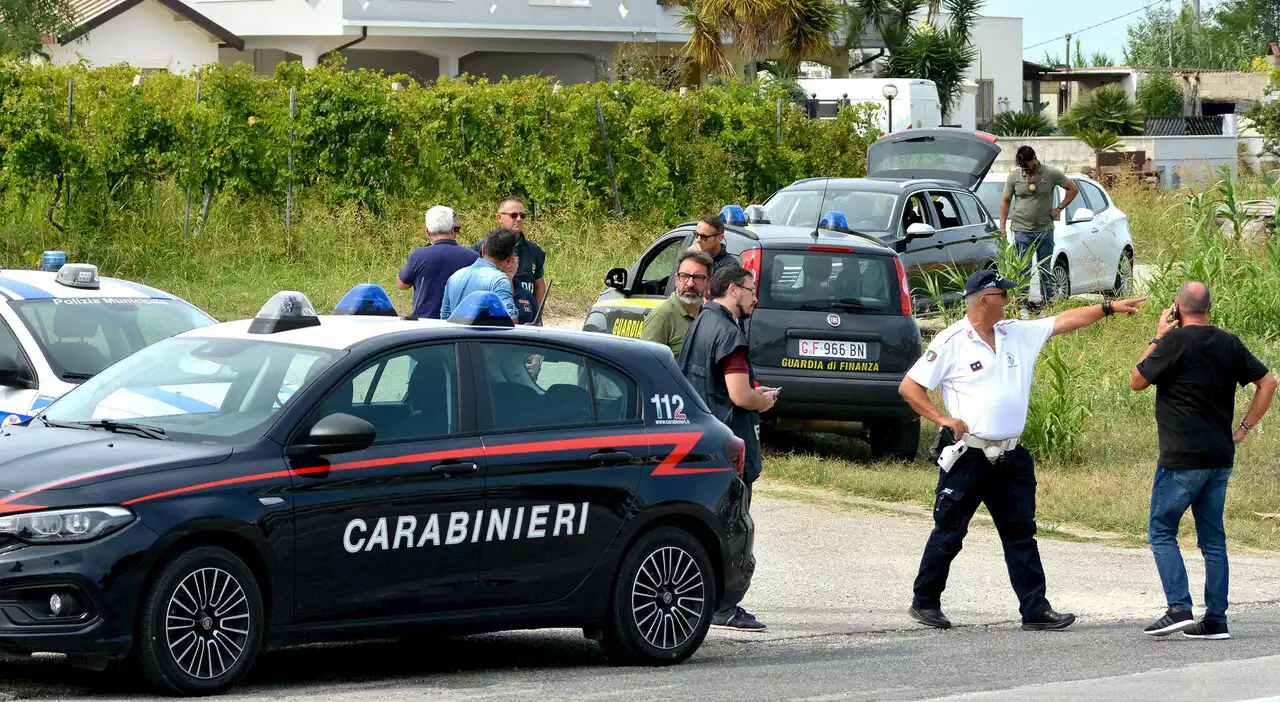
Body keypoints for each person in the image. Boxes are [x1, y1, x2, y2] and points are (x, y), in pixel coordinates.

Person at [898, 269, 1146, 632]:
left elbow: (1064, 321)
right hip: (970, 456)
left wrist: (1107, 307)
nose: (1009, 300)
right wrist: (943, 418)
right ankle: (925, 602)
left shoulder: (1015, 332)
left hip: (1011, 457)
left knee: (1020, 533)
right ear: (985, 299)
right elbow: (909, 387)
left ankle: (1035, 609)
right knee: (950, 531)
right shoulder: (952, 341)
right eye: (1003, 294)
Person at [1130, 282, 1277, 640]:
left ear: (1177, 308)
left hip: (1181, 458)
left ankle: (1178, 607)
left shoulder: (1174, 342)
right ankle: (1216, 619)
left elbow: (1137, 380)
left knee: (1161, 530)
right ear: (1210, 307)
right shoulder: (1230, 342)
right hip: (1219, 457)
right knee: (1212, 538)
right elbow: (1268, 382)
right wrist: (1242, 429)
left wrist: (1157, 336)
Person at [678, 265, 778, 632]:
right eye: (751, 290)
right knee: (734, 526)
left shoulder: (701, 322)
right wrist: (762, 400)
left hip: (699, 437)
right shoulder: (729, 333)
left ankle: (705, 600)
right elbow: (739, 395)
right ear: (734, 290)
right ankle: (725, 605)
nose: (755, 297)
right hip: (728, 443)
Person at [998, 146, 1078, 307]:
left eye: (1026, 165)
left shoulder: (1051, 173)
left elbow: (1073, 189)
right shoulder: (1014, 176)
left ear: (1034, 159)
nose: (1024, 169)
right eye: (1022, 166)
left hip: (1044, 230)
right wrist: (1002, 228)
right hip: (1021, 230)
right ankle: (1021, 304)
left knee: (1045, 268)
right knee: (1023, 269)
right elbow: (1005, 201)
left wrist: (1059, 208)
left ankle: (1047, 303)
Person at [396, 205, 480, 319]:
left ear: (427, 231)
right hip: (462, 322)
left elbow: (402, 284)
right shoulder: (473, 257)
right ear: (453, 229)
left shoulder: (418, 255)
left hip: (426, 323)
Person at [474, 197, 547, 325]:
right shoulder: (481, 249)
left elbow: (539, 284)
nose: (518, 219)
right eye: (513, 215)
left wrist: (538, 317)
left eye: (522, 215)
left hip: (524, 316)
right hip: (491, 318)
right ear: (499, 217)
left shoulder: (533, 251)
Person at [641, 248, 713, 358]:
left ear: (708, 282)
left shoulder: (709, 317)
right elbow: (646, 365)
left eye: (698, 277)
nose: (690, 284)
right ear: (676, 279)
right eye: (684, 276)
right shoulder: (661, 317)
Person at [441, 228, 520, 322]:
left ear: (483, 249)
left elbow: (445, 318)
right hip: (484, 337)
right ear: (510, 258)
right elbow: (511, 320)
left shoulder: (454, 277)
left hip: (457, 336)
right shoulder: (500, 281)